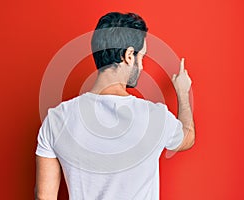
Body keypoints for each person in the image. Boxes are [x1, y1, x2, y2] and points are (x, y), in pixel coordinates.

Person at [35, 12, 195, 200]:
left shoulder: (57, 119)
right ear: (129, 55)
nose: (142, 67)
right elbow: (188, 136)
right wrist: (182, 93)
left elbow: (44, 197)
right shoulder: (155, 116)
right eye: (141, 57)